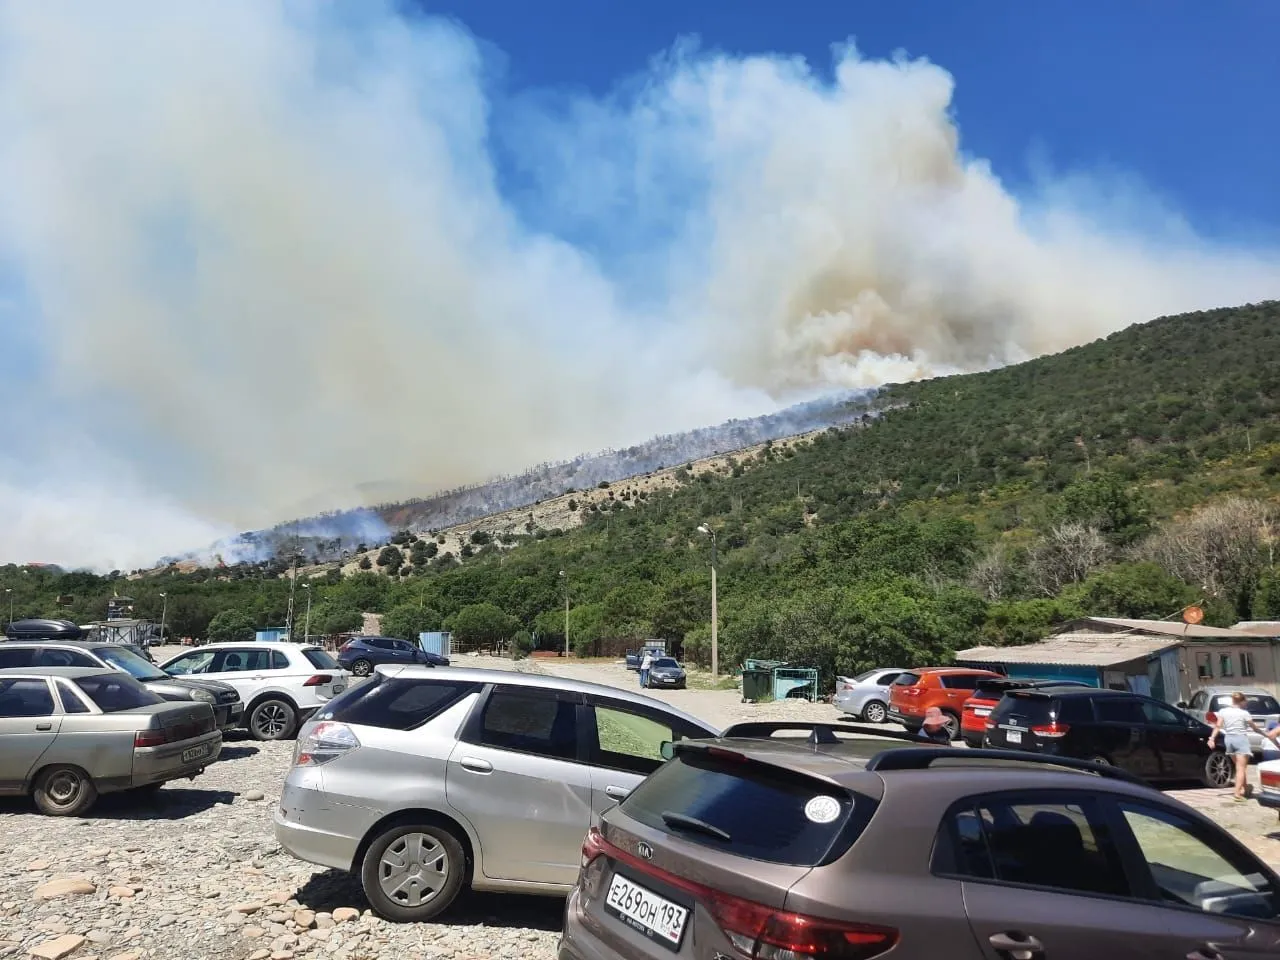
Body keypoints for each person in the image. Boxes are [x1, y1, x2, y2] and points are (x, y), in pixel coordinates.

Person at [1207, 691, 1279, 801]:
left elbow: (1218, 726)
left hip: (1229, 740)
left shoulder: (1223, 711)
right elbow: (1255, 728)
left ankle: (1245, 788)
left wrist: (1212, 738)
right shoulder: (1244, 713)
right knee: (1241, 768)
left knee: (1238, 766)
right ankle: (1237, 794)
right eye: (1245, 701)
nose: (1246, 704)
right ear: (1242, 701)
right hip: (1241, 740)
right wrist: (1266, 735)